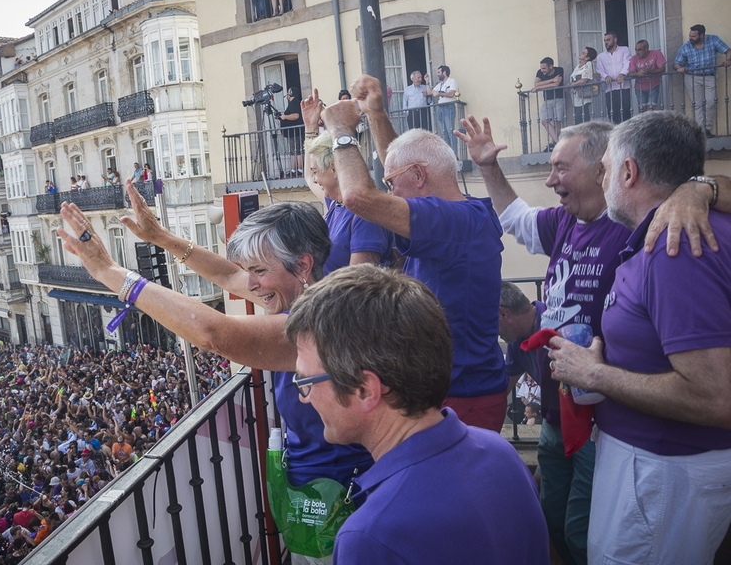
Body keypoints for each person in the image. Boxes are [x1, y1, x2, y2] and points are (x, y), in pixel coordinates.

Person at [57, 186, 372, 563]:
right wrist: (161, 237)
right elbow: (226, 275)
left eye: (259, 270)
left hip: (338, 501)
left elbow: (214, 334)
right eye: (248, 271)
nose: (250, 285)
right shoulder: (310, 292)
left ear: (302, 265)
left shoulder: (316, 325)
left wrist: (109, 272)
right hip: (318, 492)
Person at [462, 113, 719, 565]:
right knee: (555, 520)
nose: (551, 178)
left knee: (586, 533)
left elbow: (714, 391)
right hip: (562, 413)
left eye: (562, 167)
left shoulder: (652, 230)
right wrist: (488, 166)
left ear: (615, 170)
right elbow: (517, 218)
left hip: (613, 427)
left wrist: (699, 187)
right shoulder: (566, 222)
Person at [548, 111, 731, 564]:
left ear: (629, 172)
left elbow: (714, 396)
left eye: (605, 168)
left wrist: (595, 373)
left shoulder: (675, 247)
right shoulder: (678, 230)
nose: (602, 176)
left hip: (662, 473)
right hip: (659, 470)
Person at [285, 264, 549, 565]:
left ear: (365, 390)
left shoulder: (368, 537)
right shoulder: (500, 453)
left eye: (305, 381)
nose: (303, 398)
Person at [324, 75, 508, 433]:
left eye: (392, 184)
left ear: (420, 175)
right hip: (456, 391)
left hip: (463, 397)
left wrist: (342, 132)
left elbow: (358, 197)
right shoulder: (463, 215)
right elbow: (400, 165)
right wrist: (375, 115)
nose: (390, 191)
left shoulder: (456, 220)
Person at [301, 91, 392, 274]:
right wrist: (311, 127)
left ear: (334, 168)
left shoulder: (365, 213)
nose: (316, 178)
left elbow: (358, 281)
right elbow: (309, 178)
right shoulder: (336, 203)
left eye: (317, 171)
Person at [673, 24, 731, 137]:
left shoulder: (713, 39)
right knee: (697, 104)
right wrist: (679, 68)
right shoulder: (686, 47)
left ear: (702, 35)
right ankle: (701, 131)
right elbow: (676, 63)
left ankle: (707, 127)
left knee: (710, 102)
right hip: (692, 77)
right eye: (690, 35)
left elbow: (728, 50)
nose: (691, 38)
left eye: (694, 36)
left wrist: (728, 60)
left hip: (709, 76)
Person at [596, 31, 632, 124]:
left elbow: (628, 63)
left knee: (626, 113)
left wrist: (622, 74)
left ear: (615, 40)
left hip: (624, 87)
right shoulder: (601, 56)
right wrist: (605, 76)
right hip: (610, 89)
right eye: (605, 40)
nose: (606, 42)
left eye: (608, 40)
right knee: (613, 114)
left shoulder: (624, 50)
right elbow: (600, 70)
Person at [424, 65, 458, 153]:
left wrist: (439, 93)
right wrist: (427, 82)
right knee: (443, 132)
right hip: (440, 108)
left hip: (448, 107)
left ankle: (454, 154)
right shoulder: (439, 84)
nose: (437, 74)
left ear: (444, 72)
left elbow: (451, 94)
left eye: (439, 72)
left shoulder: (452, 81)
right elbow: (429, 92)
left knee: (450, 131)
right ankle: (447, 154)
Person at [534, 57, 565, 151]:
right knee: (544, 121)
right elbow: (536, 84)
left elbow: (556, 84)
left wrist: (542, 85)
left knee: (557, 122)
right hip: (547, 99)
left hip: (559, 98)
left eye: (544, 68)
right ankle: (558, 142)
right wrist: (552, 80)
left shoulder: (559, 70)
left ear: (551, 66)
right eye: (541, 68)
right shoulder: (540, 72)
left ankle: (553, 144)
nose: (542, 70)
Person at [627, 40, 666, 113]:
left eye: (640, 50)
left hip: (653, 85)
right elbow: (630, 73)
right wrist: (638, 73)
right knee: (643, 111)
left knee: (651, 110)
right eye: (636, 50)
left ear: (647, 48)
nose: (637, 52)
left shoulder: (656, 53)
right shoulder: (634, 58)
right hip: (640, 87)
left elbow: (662, 69)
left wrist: (648, 71)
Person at [279, 87, 304, 177]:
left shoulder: (295, 102)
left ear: (291, 93)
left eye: (288, 92)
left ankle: (300, 169)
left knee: (298, 151)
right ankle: (294, 170)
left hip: (296, 132)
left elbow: (296, 115)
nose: (287, 93)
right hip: (292, 133)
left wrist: (284, 117)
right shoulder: (293, 103)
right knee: (294, 152)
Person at [570, 47, 598, 125]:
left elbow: (584, 79)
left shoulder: (588, 64)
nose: (581, 53)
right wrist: (570, 84)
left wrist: (573, 84)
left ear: (587, 58)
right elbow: (574, 78)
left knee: (581, 119)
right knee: (578, 118)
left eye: (583, 53)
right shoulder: (578, 66)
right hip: (576, 96)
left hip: (583, 96)